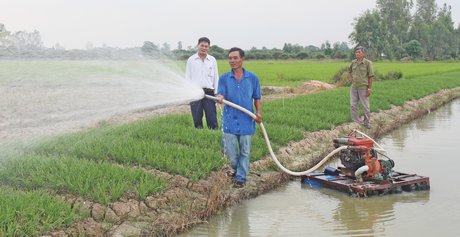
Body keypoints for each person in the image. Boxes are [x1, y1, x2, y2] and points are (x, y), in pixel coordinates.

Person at [216, 47, 262, 188]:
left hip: (246, 120)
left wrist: (258, 113)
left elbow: (257, 97)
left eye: (235, 58)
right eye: (230, 58)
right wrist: (220, 97)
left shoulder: (252, 78)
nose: (232, 61)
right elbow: (221, 93)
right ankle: (237, 170)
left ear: (242, 59)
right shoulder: (224, 78)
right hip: (230, 120)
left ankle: (241, 178)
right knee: (231, 152)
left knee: (245, 151)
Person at [185, 37, 219, 129]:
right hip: (195, 93)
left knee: (212, 117)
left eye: (206, 46)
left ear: (208, 48)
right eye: (202, 45)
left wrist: (216, 92)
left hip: (209, 92)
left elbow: (216, 76)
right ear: (197, 46)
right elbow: (187, 77)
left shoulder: (212, 60)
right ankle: (199, 133)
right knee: (197, 118)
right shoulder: (191, 60)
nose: (204, 48)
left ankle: (214, 133)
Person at [348, 46, 374, 129]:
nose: (357, 53)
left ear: (363, 54)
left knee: (365, 106)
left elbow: (371, 76)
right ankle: (357, 122)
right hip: (354, 87)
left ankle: (367, 123)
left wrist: (369, 88)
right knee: (353, 105)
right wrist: (351, 79)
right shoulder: (353, 62)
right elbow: (349, 71)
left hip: (363, 88)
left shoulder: (368, 63)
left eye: (359, 52)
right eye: (356, 52)